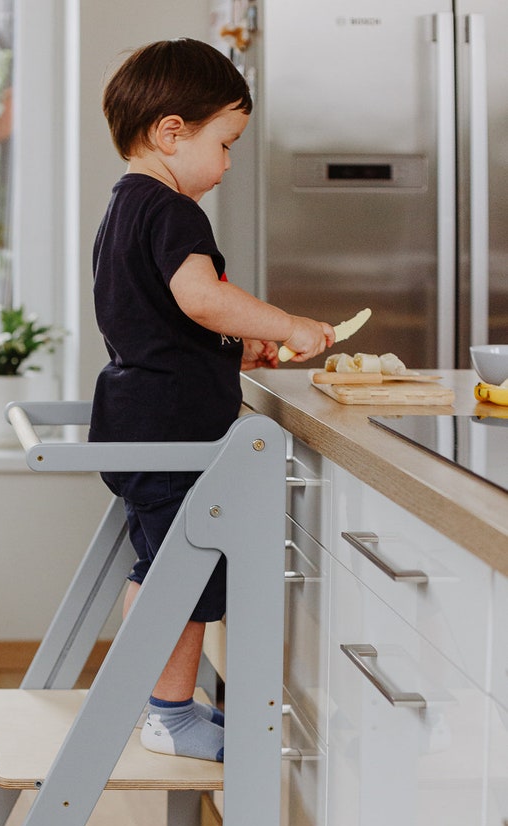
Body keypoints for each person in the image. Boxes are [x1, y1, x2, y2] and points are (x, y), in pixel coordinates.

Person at [89, 38, 334, 763]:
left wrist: (237, 347)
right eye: (224, 144)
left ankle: (159, 703)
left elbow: (161, 318)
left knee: (162, 565)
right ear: (171, 132)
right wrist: (286, 324)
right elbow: (200, 298)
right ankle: (167, 711)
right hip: (168, 427)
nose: (227, 165)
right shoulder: (172, 211)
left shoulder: (125, 206)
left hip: (139, 420)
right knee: (184, 571)